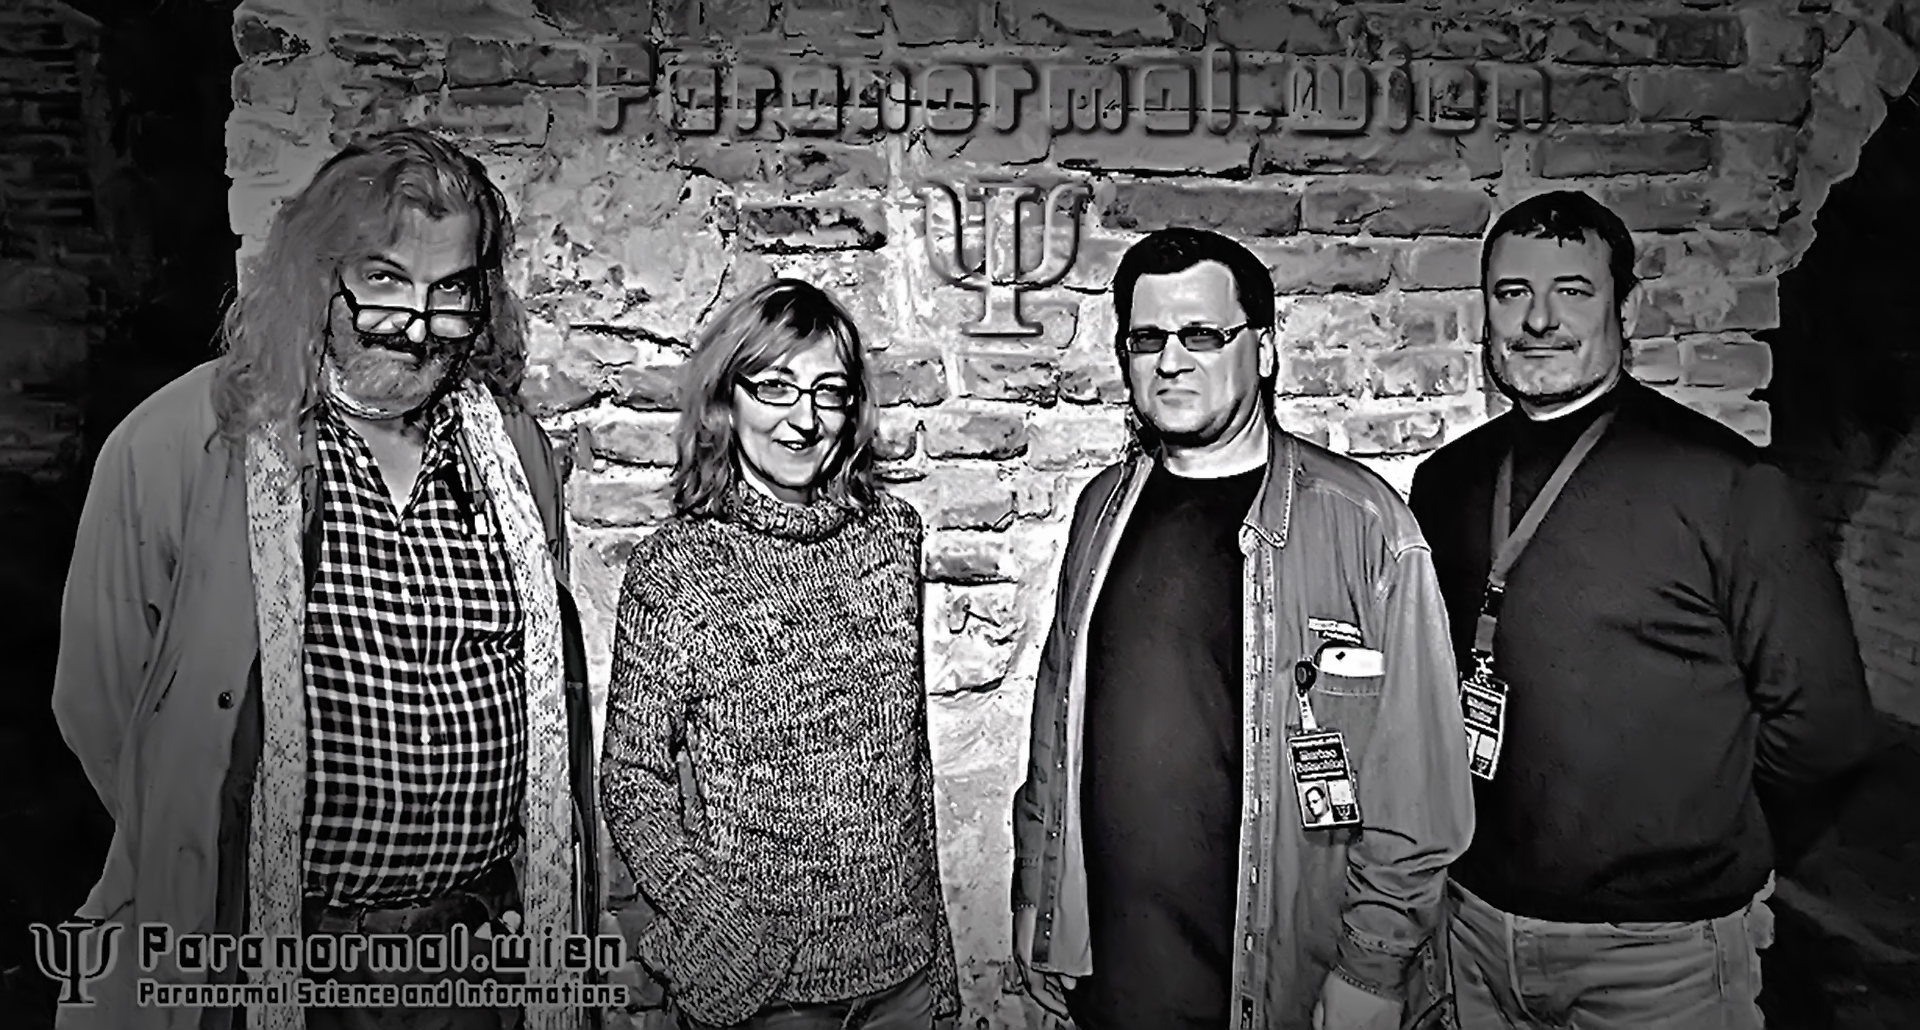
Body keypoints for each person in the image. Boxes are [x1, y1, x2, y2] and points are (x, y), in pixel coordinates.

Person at [51, 128, 604, 1030]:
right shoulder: (183, 442)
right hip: (283, 962)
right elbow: (104, 707)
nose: (417, 326)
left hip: (479, 966)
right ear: (321, 277)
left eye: (450, 291)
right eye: (385, 281)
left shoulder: (516, 452)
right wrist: (213, 848)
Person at [1408, 189, 1880, 1029]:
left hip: (1659, 960)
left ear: (1625, 310)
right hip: (1473, 933)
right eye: (1512, 293)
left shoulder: (1729, 485)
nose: (1538, 320)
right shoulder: (1446, 482)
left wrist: (1702, 840)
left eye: (1573, 291)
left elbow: (1823, 728)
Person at [1010, 227, 1474, 1030]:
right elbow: (1056, 727)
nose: (1170, 360)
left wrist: (1373, 966)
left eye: (1201, 335)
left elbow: (1419, 785)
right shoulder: (1100, 511)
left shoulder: (1364, 524)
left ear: (1262, 349)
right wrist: (1037, 901)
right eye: (1147, 339)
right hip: (1114, 983)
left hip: (1285, 987)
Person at [600, 278, 961, 1030]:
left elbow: (905, 767)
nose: (804, 419)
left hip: (903, 979)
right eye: (775, 388)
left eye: (829, 391)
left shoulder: (892, 539)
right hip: (767, 996)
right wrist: (720, 928)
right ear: (727, 400)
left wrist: (936, 958)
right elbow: (632, 779)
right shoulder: (677, 569)